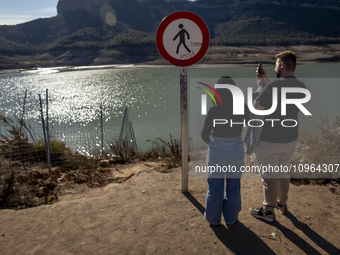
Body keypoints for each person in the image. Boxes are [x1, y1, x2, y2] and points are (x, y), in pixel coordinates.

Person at [249, 51, 306, 222]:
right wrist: (266, 83)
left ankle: (268, 211)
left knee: (269, 177)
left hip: (270, 140)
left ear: (281, 65)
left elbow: (257, 107)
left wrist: (261, 86)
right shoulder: (301, 86)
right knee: (283, 172)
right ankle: (282, 204)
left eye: (276, 65)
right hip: (290, 139)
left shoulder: (272, 87)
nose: (274, 68)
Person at [201, 76, 249, 228]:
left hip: (216, 148)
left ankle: (214, 219)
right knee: (233, 185)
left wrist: (215, 145)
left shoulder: (214, 110)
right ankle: (231, 218)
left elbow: (204, 134)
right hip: (236, 146)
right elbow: (252, 126)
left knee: (215, 185)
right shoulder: (243, 107)